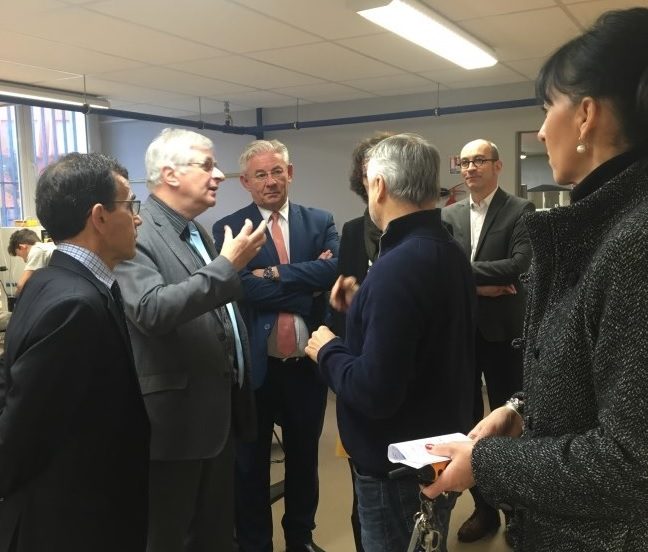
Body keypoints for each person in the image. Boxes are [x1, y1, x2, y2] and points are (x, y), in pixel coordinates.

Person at [423, 7, 648, 552]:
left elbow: (631, 465)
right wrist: (522, 411)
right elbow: (597, 382)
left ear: (587, 115)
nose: (543, 129)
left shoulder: (631, 245)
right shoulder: (602, 229)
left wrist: (487, 461)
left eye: (549, 108)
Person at [306, 133, 476, 552]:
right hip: (436, 450)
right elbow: (422, 334)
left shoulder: (396, 266)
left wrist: (327, 350)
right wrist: (363, 305)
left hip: (395, 466)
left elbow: (374, 392)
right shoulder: (447, 251)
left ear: (378, 185)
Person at [114, 128, 266, 552]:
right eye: (206, 165)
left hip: (216, 411)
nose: (219, 174)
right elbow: (150, 309)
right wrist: (226, 266)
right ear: (170, 174)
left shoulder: (198, 230)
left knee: (214, 533)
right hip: (176, 423)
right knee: (173, 535)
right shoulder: (140, 233)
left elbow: (215, 306)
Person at [0, 152, 149, 551]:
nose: (137, 218)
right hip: (69, 524)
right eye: (130, 205)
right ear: (99, 216)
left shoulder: (52, 281)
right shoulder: (75, 305)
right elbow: (21, 432)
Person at [213, 139, 339, 552]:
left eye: (277, 171)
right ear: (246, 183)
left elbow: (334, 269)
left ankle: (300, 539)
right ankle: (255, 545)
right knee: (249, 466)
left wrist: (270, 273)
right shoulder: (231, 228)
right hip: (257, 370)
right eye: (261, 175)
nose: (271, 181)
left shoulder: (319, 220)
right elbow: (241, 288)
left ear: (291, 173)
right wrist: (306, 288)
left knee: (304, 461)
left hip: (307, 368)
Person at [441, 139, 534, 542]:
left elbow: (519, 265)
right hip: (461, 333)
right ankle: (484, 509)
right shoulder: (450, 215)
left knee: (508, 421)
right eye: (464, 162)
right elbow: (441, 270)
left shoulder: (520, 211)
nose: (470, 168)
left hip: (503, 336)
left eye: (479, 160)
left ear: (497, 166)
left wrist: (462, 275)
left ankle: (516, 512)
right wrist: (479, 286)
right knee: (465, 422)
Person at [328, 131, 392, 552]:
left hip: (399, 367)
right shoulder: (352, 231)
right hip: (362, 363)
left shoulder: (432, 233)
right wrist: (348, 302)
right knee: (362, 490)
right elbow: (347, 299)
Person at [7, 228, 56, 294]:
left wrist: (15, 300)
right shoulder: (47, 247)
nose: (24, 260)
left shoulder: (36, 250)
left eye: (20, 256)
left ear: (22, 247)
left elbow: (21, 285)